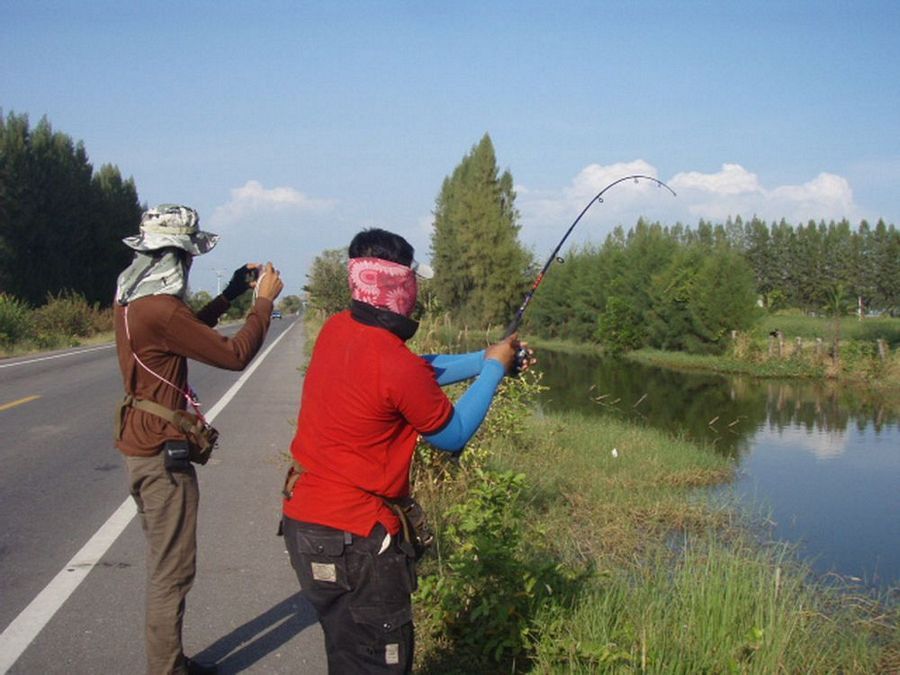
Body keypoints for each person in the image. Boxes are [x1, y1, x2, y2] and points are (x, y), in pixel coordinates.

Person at [281, 227, 533, 673]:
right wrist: (493, 372)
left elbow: (420, 371)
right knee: (380, 664)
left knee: (347, 655)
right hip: (356, 541)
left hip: (307, 527)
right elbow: (451, 434)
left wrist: (489, 357)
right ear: (402, 286)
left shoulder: (341, 328)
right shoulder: (392, 361)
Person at [113, 204, 283, 675]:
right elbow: (233, 355)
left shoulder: (132, 302)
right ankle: (166, 670)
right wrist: (262, 303)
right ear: (177, 256)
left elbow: (188, 332)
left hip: (138, 443)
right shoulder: (162, 310)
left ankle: (171, 660)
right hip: (160, 457)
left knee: (164, 564)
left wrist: (230, 291)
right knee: (172, 573)